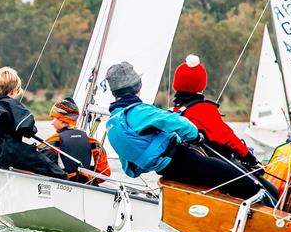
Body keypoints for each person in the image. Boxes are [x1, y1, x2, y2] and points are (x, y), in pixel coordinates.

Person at [104, 61, 272, 202]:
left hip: (167, 171)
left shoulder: (113, 122)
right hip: (183, 161)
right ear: (137, 87)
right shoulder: (138, 112)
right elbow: (176, 122)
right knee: (249, 183)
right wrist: (194, 136)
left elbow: (129, 169)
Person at [171, 55, 278, 199]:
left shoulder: (173, 113)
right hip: (218, 168)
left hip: (188, 171)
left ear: (176, 84)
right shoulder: (203, 110)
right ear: (201, 85)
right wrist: (250, 158)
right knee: (271, 192)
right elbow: (228, 138)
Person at [0, 67, 66, 179]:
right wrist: (31, 130)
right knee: (51, 167)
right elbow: (27, 127)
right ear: (13, 90)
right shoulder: (9, 103)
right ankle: (67, 183)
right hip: (12, 151)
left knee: (49, 154)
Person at [39, 97, 111, 184]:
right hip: (87, 188)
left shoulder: (53, 141)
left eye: (54, 118)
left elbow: (37, 162)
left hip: (61, 186)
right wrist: (88, 179)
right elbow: (105, 173)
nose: (52, 122)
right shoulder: (95, 144)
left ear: (63, 120)